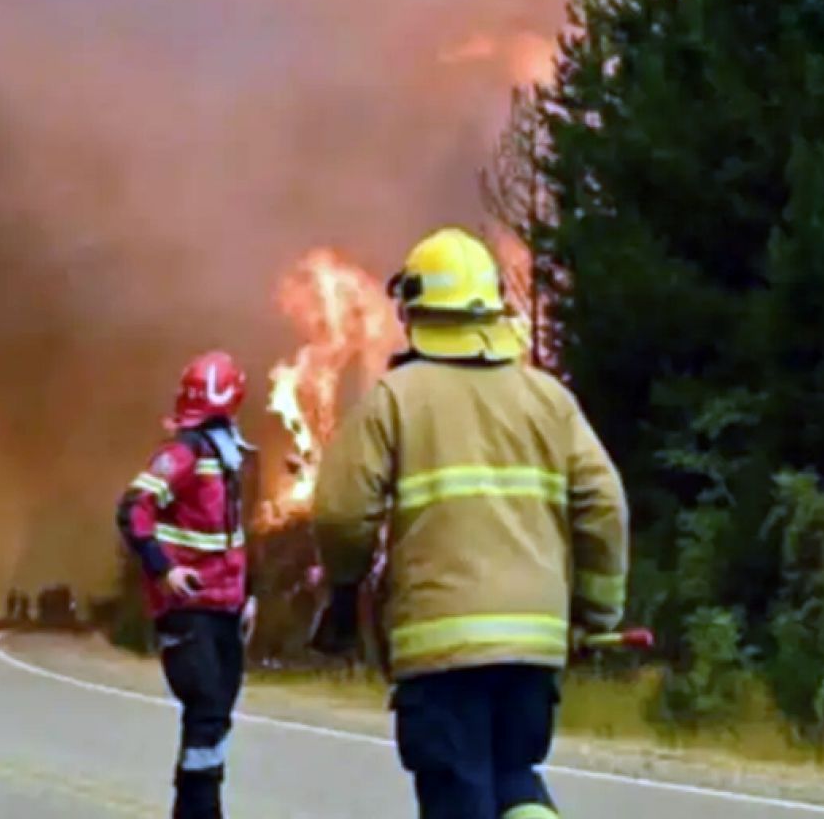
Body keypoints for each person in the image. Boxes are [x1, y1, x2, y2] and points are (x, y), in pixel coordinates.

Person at [312, 228, 628, 819]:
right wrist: (595, 612)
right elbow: (604, 504)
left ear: (415, 310)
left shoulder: (394, 400)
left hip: (441, 651)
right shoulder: (549, 400)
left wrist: (346, 588)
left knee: (459, 793)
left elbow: (340, 513)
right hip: (534, 647)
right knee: (514, 776)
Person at [116, 351, 258, 819]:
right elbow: (134, 508)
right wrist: (164, 570)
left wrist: (247, 595)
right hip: (189, 609)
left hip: (225, 610)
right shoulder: (181, 455)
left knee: (215, 720)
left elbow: (233, 538)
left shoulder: (228, 459)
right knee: (206, 710)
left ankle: (194, 809)